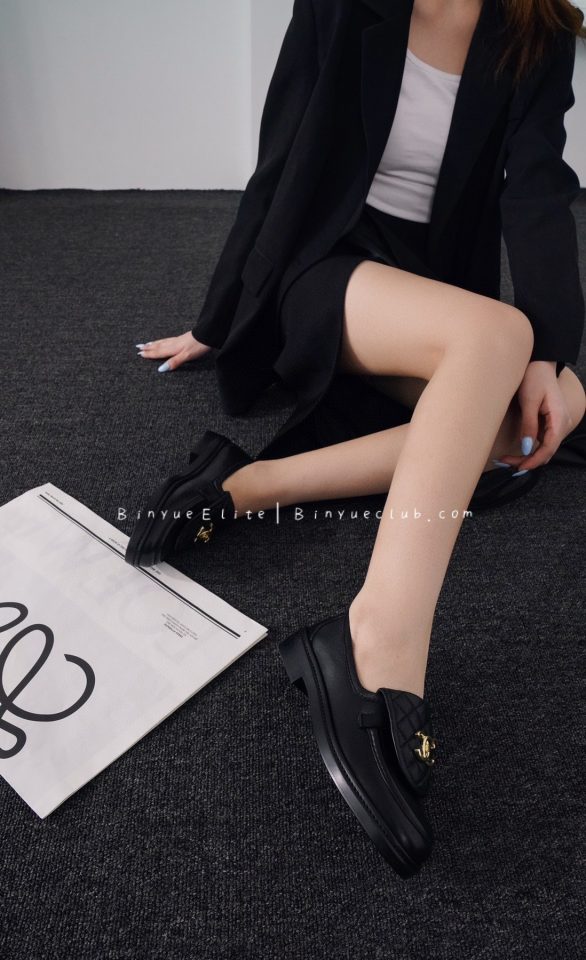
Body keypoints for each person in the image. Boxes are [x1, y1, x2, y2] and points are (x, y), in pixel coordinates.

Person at [127, 0, 586, 876]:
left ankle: (249, 486)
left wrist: (548, 356)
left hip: (430, 290)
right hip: (327, 267)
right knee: (498, 342)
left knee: (554, 399)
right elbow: (282, 154)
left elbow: (537, 187)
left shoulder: (540, 29)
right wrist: (219, 321)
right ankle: (377, 640)